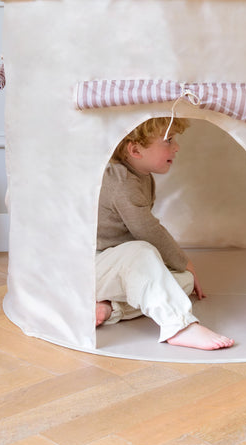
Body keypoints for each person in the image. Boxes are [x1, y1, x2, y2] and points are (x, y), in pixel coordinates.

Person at [95, 116, 234, 350]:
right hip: (92, 267)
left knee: (184, 283)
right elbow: (147, 229)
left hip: (116, 270)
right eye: (168, 141)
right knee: (142, 252)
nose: (176, 147)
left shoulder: (142, 176)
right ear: (135, 150)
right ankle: (179, 326)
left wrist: (182, 269)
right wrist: (184, 261)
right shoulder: (119, 180)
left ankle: (110, 308)